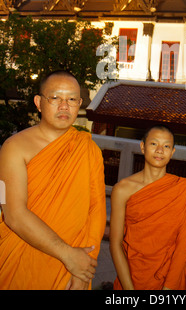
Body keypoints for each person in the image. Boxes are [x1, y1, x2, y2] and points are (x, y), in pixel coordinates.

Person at [0, 70, 106, 290]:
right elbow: (13, 215)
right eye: (55, 98)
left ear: (80, 104)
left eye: (72, 99)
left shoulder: (88, 149)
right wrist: (68, 255)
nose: (64, 106)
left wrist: (84, 268)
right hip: (23, 256)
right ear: (39, 102)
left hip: (73, 265)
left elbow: (96, 211)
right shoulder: (12, 148)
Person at [109, 125, 186, 290]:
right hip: (132, 275)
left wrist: (168, 287)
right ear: (143, 147)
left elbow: (183, 243)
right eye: (154, 144)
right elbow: (115, 243)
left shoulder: (184, 188)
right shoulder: (122, 190)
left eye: (166, 146)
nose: (160, 150)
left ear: (172, 152)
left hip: (171, 279)